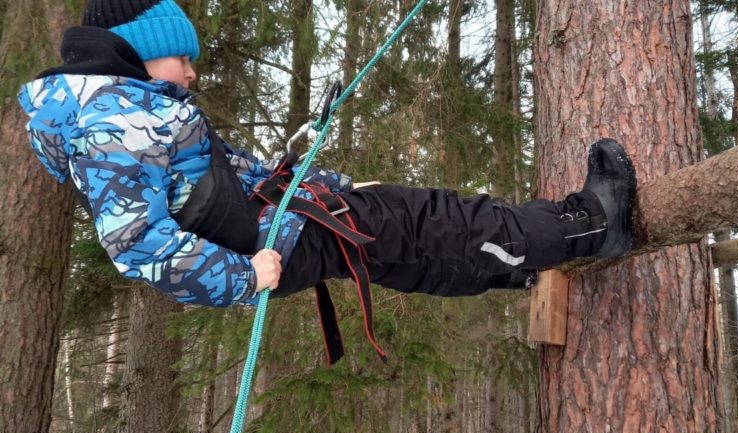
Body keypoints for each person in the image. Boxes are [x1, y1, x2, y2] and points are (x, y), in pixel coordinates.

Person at [18, 0, 637, 363]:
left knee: (397, 248)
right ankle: (594, 224)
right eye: (183, 58)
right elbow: (136, 243)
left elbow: (227, 177)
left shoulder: (124, 108)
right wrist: (242, 276)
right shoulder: (114, 121)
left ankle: (516, 267)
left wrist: (328, 185)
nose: (191, 72)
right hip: (263, 248)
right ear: (139, 49)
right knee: (424, 221)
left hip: (270, 227)